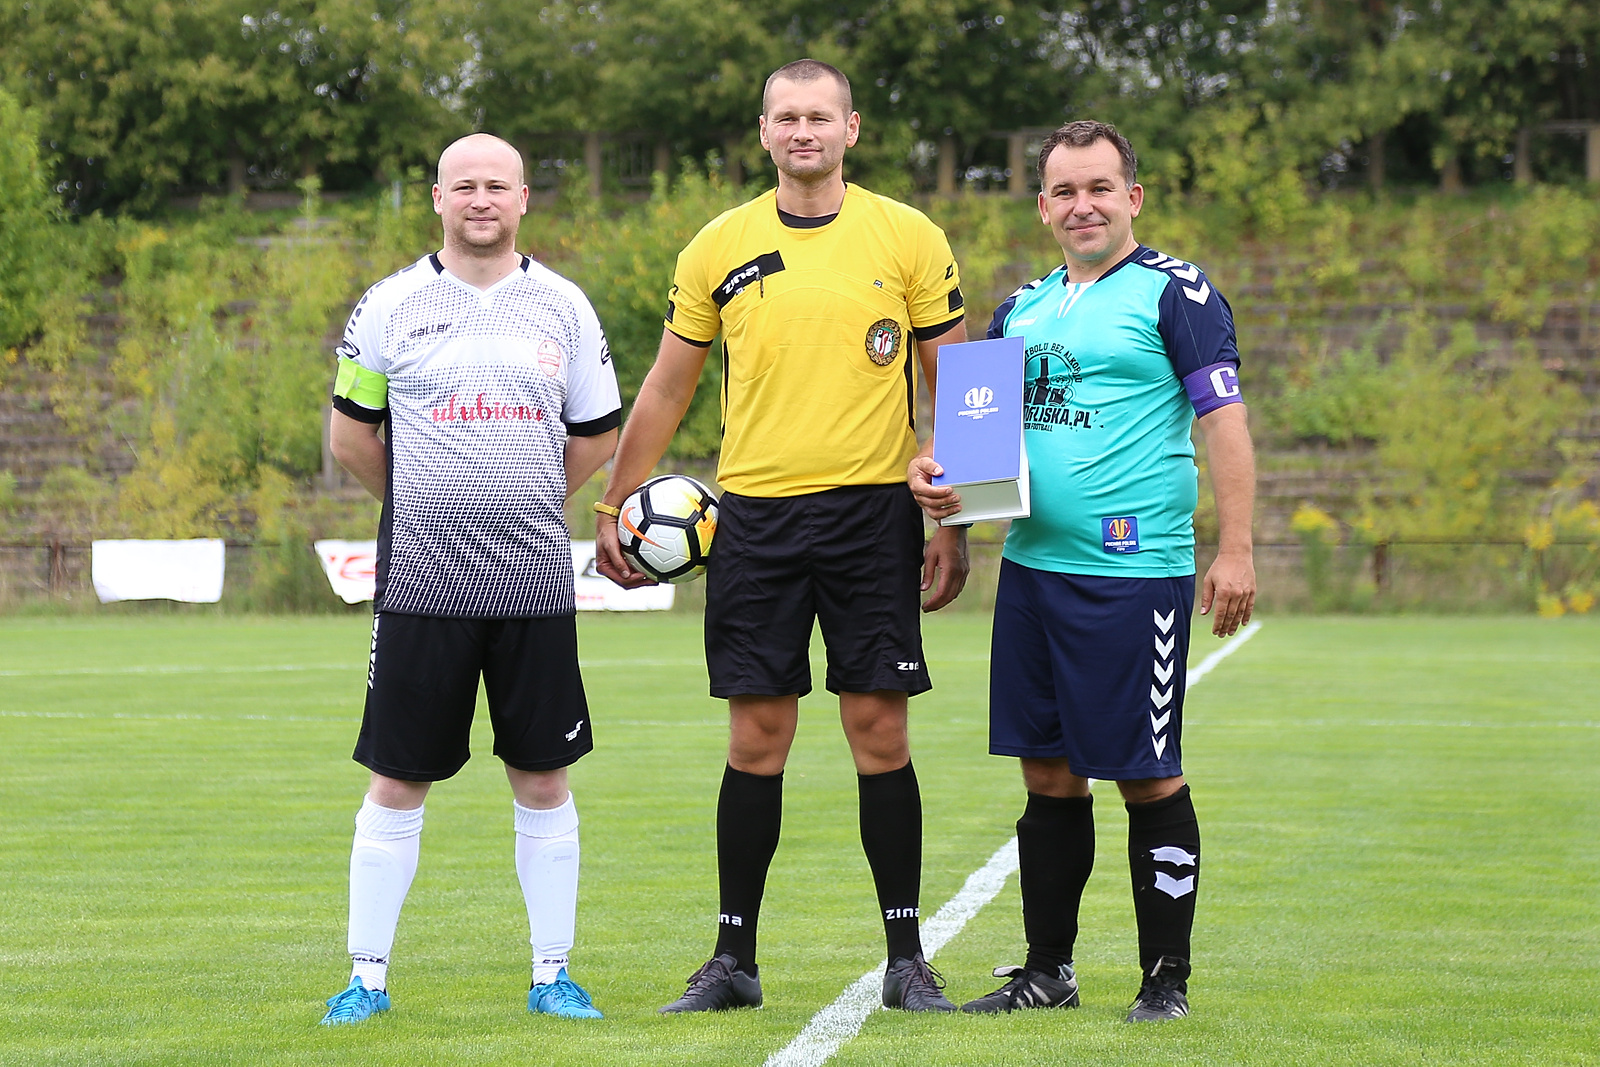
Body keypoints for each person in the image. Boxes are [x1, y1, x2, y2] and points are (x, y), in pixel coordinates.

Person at [592, 59, 970, 1014]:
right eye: (787, 117)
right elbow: (668, 384)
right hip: (754, 518)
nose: (804, 131)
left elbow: (962, 383)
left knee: (879, 730)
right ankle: (733, 960)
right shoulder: (716, 245)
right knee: (757, 736)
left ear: (852, 128)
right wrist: (612, 504)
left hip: (875, 512)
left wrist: (955, 520)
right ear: (764, 132)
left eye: (820, 117)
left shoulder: (909, 235)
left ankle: (906, 960)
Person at [910, 120, 1256, 1023]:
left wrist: (1236, 548)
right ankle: (1047, 972)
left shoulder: (1176, 292)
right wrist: (946, 514)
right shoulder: (1021, 308)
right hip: (1032, 573)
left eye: (1099, 187)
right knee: (1048, 776)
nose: (1083, 205)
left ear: (1132, 197)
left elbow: (1224, 424)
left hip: (1132, 574)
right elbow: (979, 445)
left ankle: (1165, 981)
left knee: (1147, 773)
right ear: (1043, 206)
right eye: (1065, 190)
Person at [319, 133, 621, 1025]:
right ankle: (366, 981)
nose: (480, 198)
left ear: (523, 198)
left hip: (534, 586)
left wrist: (526, 497)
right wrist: (424, 499)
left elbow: (597, 432)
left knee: (544, 779)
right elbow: (350, 436)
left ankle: (552, 974)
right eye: (464, 186)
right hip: (421, 588)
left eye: (497, 184)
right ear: (438, 198)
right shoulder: (388, 304)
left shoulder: (564, 304)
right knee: (395, 780)